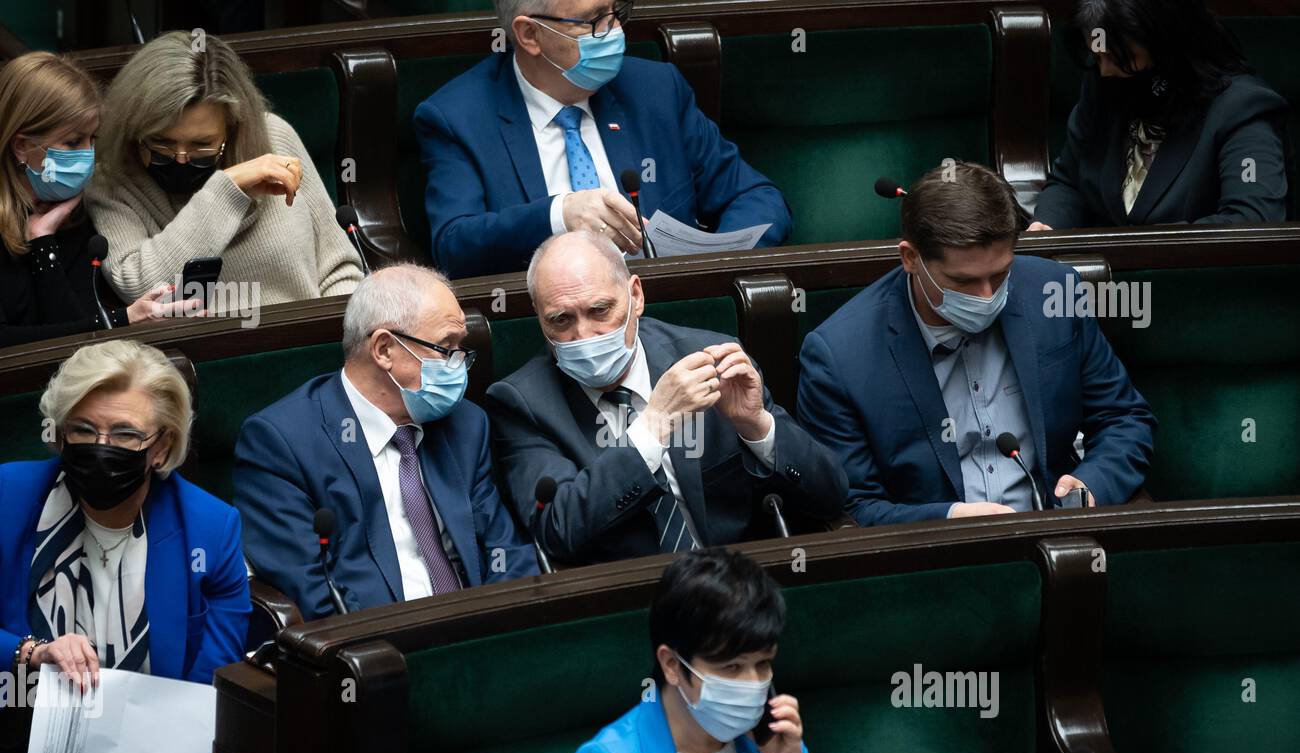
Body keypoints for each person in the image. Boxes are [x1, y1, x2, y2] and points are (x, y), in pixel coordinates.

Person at [0, 340, 253, 753]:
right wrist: (30, 651)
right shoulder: (9, 496)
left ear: (160, 447)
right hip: (17, 741)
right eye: (84, 430)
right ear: (61, 432)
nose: (101, 446)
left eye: (125, 434)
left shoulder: (209, 528)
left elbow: (216, 681)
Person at [798, 161, 1156, 527]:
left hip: (1060, 532)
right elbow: (851, 506)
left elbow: (1123, 417)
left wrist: (1092, 485)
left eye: (1000, 275)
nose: (988, 297)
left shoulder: (1054, 294)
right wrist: (951, 519)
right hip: (937, 562)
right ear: (911, 259)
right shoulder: (840, 355)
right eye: (964, 282)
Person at [485, 231, 847, 565]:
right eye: (561, 320)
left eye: (600, 310)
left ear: (636, 296)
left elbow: (829, 495)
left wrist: (756, 427)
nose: (585, 335)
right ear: (539, 318)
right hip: (624, 601)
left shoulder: (712, 357)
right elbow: (556, 531)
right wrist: (653, 426)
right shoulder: (521, 403)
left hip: (738, 582)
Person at [234, 264, 538, 621]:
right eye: (445, 348)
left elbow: (506, 550)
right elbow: (313, 596)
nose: (458, 366)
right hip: (377, 651)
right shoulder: (281, 443)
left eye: (460, 349)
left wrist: (504, 630)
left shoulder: (466, 425)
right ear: (384, 349)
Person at [413, 0, 791, 279]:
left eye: (616, 13)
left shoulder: (656, 90)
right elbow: (455, 245)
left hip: (674, 319)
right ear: (530, 35)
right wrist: (559, 216)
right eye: (593, 21)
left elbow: (758, 198)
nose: (614, 32)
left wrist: (708, 270)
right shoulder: (456, 118)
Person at [571, 548, 858, 753]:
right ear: (671, 665)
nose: (752, 684)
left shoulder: (768, 735)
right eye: (732, 667)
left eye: (762, 664)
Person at [86, 32, 362, 309]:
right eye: (161, 143)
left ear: (232, 129)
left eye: (201, 145)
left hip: (307, 343)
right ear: (134, 129)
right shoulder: (110, 180)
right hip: (205, 350)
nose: (181, 159)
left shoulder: (274, 138)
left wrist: (332, 340)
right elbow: (142, 289)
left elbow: (340, 270)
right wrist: (227, 189)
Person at [1031, 0, 1289, 229]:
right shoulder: (1104, 87)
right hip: (1100, 279)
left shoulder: (1242, 109)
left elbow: (1252, 220)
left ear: (1167, 48)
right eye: (1098, 57)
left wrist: (1138, 249)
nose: (1105, 71)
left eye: (1122, 58)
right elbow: (1070, 182)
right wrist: (1048, 227)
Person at [0, 52, 199, 347]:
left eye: (93, 139)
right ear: (22, 146)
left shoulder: (73, 215)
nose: (88, 155)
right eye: (73, 142)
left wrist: (42, 241)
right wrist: (122, 319)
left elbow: (75, 344)